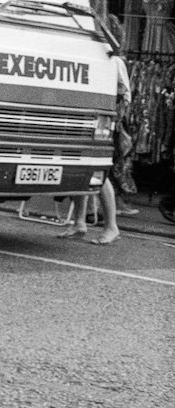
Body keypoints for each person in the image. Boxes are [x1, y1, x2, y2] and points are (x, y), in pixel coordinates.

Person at [58, 15, 132, 245]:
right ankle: (79, 222)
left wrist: (112, 119)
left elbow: (124, 96)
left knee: (101, 175)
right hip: (85, 121)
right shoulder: (89, 57)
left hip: (104, 125)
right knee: (81, 169)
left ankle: (112, 226)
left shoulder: (114, 61)